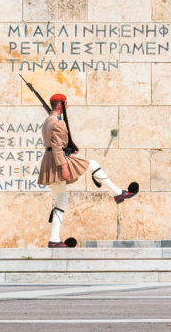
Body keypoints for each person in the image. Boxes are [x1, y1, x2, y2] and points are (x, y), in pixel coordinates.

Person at [39, 94, 137, 248]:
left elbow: (56, 145)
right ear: (60, 105)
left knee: (60, 202)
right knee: (92, 164)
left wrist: (70, 147)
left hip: (49, 163)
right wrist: (64, 166)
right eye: (66, 104)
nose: (67, 106)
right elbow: (57, 148)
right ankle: (117, 193)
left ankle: (54, 240)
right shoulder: (59, 123)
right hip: (58, 162)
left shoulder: (47, 122)